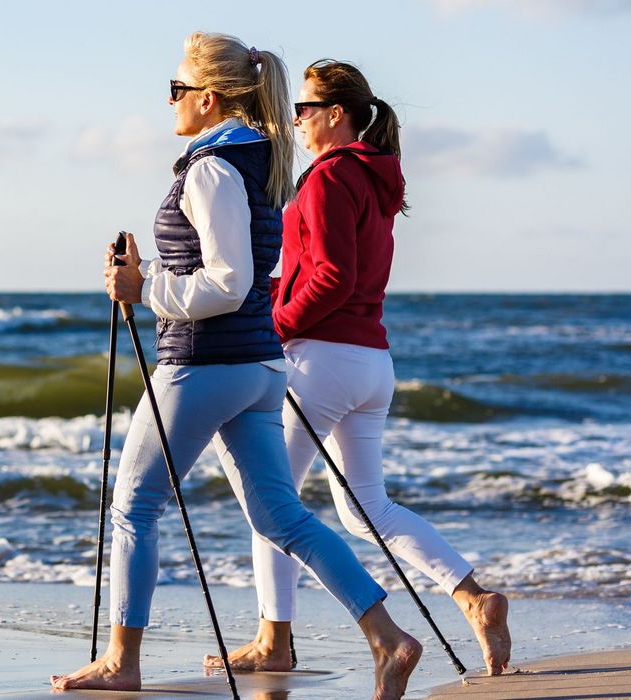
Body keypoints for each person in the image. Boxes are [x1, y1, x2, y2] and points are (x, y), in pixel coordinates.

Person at [50, 34, 421, 699]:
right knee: (281, 517)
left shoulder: (213, 168)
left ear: (208, 97)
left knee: (134, 503)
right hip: (258, 365)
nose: (169, 102)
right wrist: (153, 274)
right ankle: (388, 638)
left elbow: (226, 281)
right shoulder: (260, 161)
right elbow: (235, 273)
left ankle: (120, 662)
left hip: (204, 363)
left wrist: (146, 291)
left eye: (175, 90)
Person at [207, 59, 512, 677]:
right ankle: (473, 598)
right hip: (371, 361)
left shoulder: (326, 178)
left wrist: (276, 324)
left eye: (303, 109)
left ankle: (274, 642)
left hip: (320, 360)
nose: (294, 120)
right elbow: (327, 269)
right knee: (364, 505)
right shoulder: (375, 177)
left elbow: (331, 276)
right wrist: (267, 292)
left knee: (272, 503)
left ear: (335, 114)